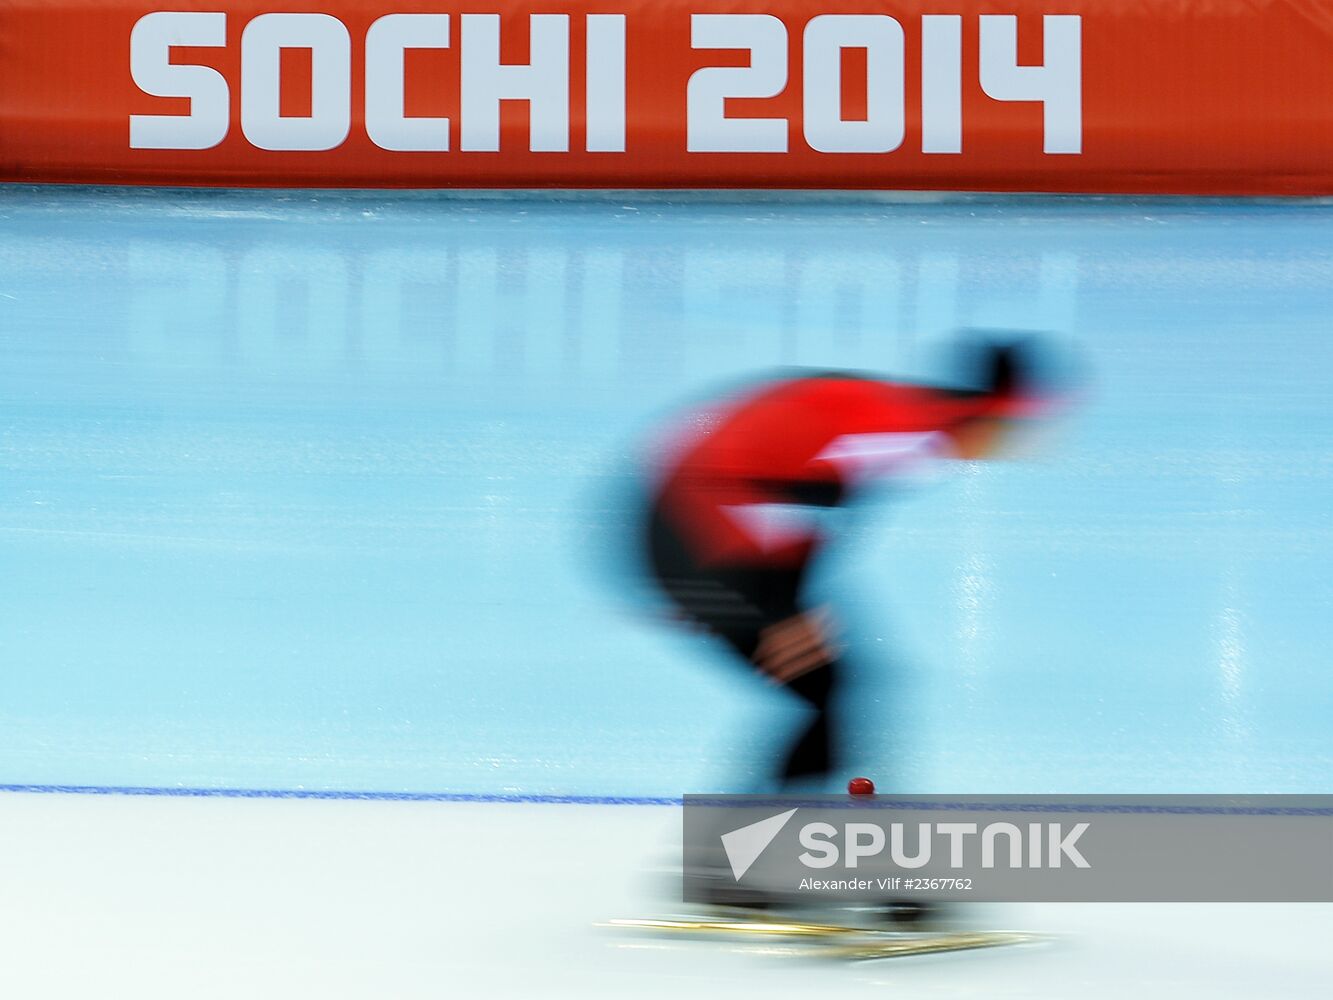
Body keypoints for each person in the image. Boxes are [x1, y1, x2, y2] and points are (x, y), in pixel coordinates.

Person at [640, 336, 1068, 794]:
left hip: (699, 529)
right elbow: (803, 498)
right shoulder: (912, 434)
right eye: (1010, 432)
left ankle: (757, 843)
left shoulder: (909, 414)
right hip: (699, 536)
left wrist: (781, 599)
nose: (1006, 450)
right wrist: (780, 608)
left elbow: (806, 491)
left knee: (831, 689)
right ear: (991, 414)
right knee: (826, 689)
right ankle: (738, 851)